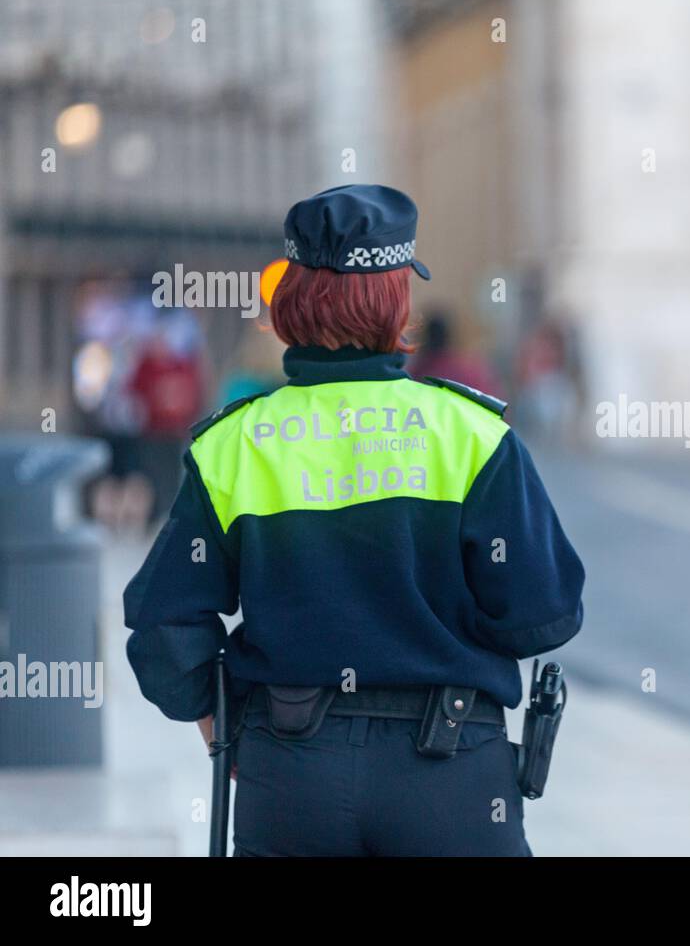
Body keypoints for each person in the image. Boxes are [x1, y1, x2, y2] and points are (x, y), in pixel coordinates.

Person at [124, 184, 585, 856]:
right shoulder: (470, 433)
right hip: (450, 774)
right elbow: (544, 612)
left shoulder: (237, 442)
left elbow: (165, 627)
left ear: (292, 301)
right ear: (396, 299)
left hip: (288, 774)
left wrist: (229, 734)